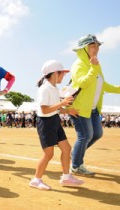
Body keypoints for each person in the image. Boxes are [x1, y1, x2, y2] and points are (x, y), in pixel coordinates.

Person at [69, 34, 120, 176]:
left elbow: (102, 85)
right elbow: (83, 83)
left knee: (97, 134)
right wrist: (93, 67)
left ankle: (75, 154)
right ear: (84, 48)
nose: (96, 48)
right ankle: (76, 166)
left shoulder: (95, 64)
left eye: (98, 46)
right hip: (79, 108)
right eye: (92, 45)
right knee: (85, 136)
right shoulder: (78, 64)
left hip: (93, 109)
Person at [29, 60, 84, 190]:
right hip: (46, 124)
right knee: (48, 154)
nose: (63, 76)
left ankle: (66, 177)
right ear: (54, 74)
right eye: (62, 73)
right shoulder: (45, 89)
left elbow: (55, 109)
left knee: (66, 149)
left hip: (54, 121)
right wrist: (62, 103)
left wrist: (67, 110)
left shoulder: (54, 88)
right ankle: (36, 180)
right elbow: (45, 110)